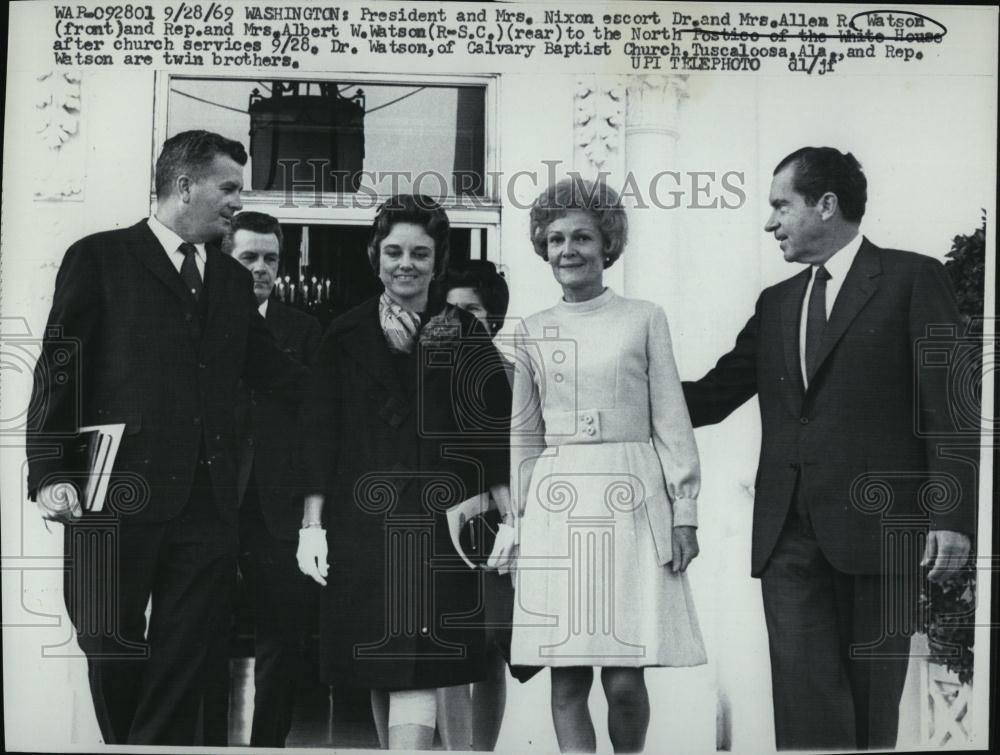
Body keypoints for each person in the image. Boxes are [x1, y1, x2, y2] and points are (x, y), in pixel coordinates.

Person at [682, 147, 976, 750]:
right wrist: (617, 378)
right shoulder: (777, 302)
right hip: (788, 532)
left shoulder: (912, 278)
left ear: (826, 204)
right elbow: (711, 396)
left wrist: (952, 518)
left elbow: (949, 407)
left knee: (871, 715)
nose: (771, 223)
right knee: (802, 705)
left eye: (779, 206)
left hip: (881, 531)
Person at [25, 130, 308, 746]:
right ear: (184, 186)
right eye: (229, 187)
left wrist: (365, 361)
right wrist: (49, 473)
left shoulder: (231, 283)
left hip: (206, 507)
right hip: (109, 496)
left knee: (188, 655)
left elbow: (279, 377)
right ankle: (134, 746)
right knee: (107, 639)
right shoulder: (99, 257)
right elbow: (60, 369)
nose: (239, 201)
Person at [295, 194, 512, 750]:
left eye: (420, 252)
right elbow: (319, 435)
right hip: (361, 527)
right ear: (375, 256)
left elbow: (493, 435)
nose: (405, 264)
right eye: (393, 251)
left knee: (416, 667)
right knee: (380, 665)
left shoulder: (463, 331)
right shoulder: (343, 334)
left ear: (438, 261)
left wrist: (509, 517)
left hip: (441, 526)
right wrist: (312, 527)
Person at [509, 179, 706, 754]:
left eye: (581, 237)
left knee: (624, 677)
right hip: (557, 505)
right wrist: (522, 523)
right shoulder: (530, 329)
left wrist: (685, 511)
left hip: (631, 501)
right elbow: (523, 435)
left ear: (607, 244)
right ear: (543, 249)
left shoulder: (644, 317)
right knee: (567, 674)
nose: (567, 250)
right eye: (555, 239)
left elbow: (671, 417)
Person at [207, 211, 321, 746]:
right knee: (203, 634)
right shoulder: (200, 319)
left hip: (279, 506)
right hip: (210, 502)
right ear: (225, 258)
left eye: (270, 258)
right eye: (247, 257)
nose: (260, 268)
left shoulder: (303, 329)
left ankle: (269, 746)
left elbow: (318, 419)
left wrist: (311, 517)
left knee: (285, 639)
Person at [435, 261, 540, 751]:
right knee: (449, 646)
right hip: (438, 522)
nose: (460, 319)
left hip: (497, 527)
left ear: (493, 317)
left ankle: (482, 750)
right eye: (451, 309)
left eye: (472, 310)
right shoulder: (424, 368)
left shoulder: (514, 371)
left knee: (492, 646)